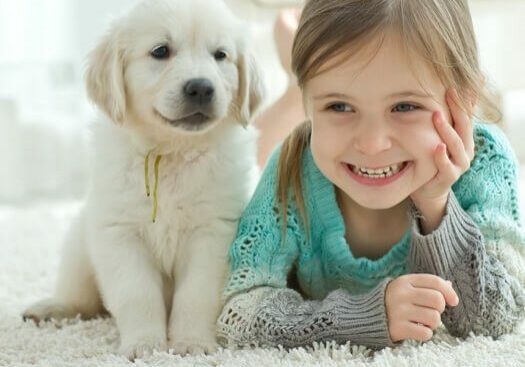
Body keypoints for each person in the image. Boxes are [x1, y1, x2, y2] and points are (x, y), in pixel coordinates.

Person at [217, 0, 525, 349]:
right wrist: (362, 316)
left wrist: (436, 205)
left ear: (464, 102)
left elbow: (499, 319)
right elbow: (237, 312)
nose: (372, 143)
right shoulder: (292, 170)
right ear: (307, 102)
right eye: (340, 106)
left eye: (405, 106)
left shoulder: (485, 161)